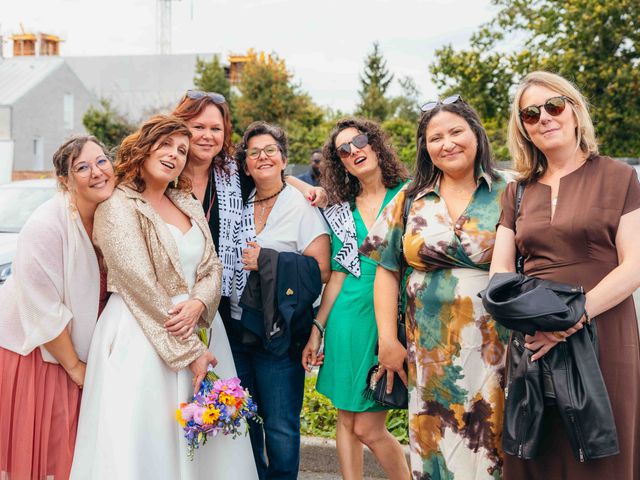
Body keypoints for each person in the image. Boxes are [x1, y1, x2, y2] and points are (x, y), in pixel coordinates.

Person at [71, 115, 257, 479]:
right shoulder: (118, 206)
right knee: (146, 440)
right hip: (143, 334)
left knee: (208, 449)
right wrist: (191, 351)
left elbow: (212, 267)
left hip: (201, 326)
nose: (175, 154)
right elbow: (138, 283)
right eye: (166, 145)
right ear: (143, 147)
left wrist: (200, 303)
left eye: (182, 150)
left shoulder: (186, 201)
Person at [490, 71, 640, 479]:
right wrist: (539, 324)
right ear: (523, 129)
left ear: (574, 111)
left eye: (554, 106)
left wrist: (571, 318)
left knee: (602, 456)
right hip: (534, 338)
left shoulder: (619, 176)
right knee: (537, 453)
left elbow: (634, 265)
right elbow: (500, 272)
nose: (545, 118)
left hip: (603, 332)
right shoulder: (515, 191)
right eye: (531, 114)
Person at [361, 96, 513, 479]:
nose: (447, 143)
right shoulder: (410, 196)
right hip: (430, 354)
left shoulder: (510, 189)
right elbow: (386, 270)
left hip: (498, 348)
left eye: (456, 132)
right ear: (425, 148)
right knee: (435, 445)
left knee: (493, 440)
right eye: (435, 137)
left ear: (476, 133)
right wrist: (387, 342)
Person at [172, 90, 328, 345]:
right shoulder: (166, 173)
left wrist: (305, 188)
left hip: (218, 303)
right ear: (182, 128)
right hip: (173, 299)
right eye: (198, 126)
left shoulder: (231, 174)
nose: (207, 136)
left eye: (216, 128)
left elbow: (270, 174)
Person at [0, 136, 115, 479]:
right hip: (41, 355)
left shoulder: (110, 215)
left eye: (101, 162)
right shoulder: (46, 224)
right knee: (49, 460)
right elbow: (41, 309)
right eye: (82, 167)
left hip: (82, 352)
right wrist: (76, 368)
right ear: (65, 180)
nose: (96, 172)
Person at [301, 118, 410, 480]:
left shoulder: (410, 194)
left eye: (359, 141)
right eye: (343, 151)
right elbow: (337, 273)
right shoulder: (342, 210)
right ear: (341, 163)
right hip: (347, 317)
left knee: (368, 427)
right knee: (346, 416)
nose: (353, 151)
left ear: (376, 143)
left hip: (389, 317)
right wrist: (318, 327)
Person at [232, 121, 330, 480]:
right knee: (244, 420)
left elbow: (321, 269)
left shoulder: (300, 207)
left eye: (270, 150)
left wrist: (267, 260)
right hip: (236, 328)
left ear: (284, 159)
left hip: (280, 332)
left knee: (280, 426)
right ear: (245, 164)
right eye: (254, 152)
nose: (262, 157)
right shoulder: (237, 200)